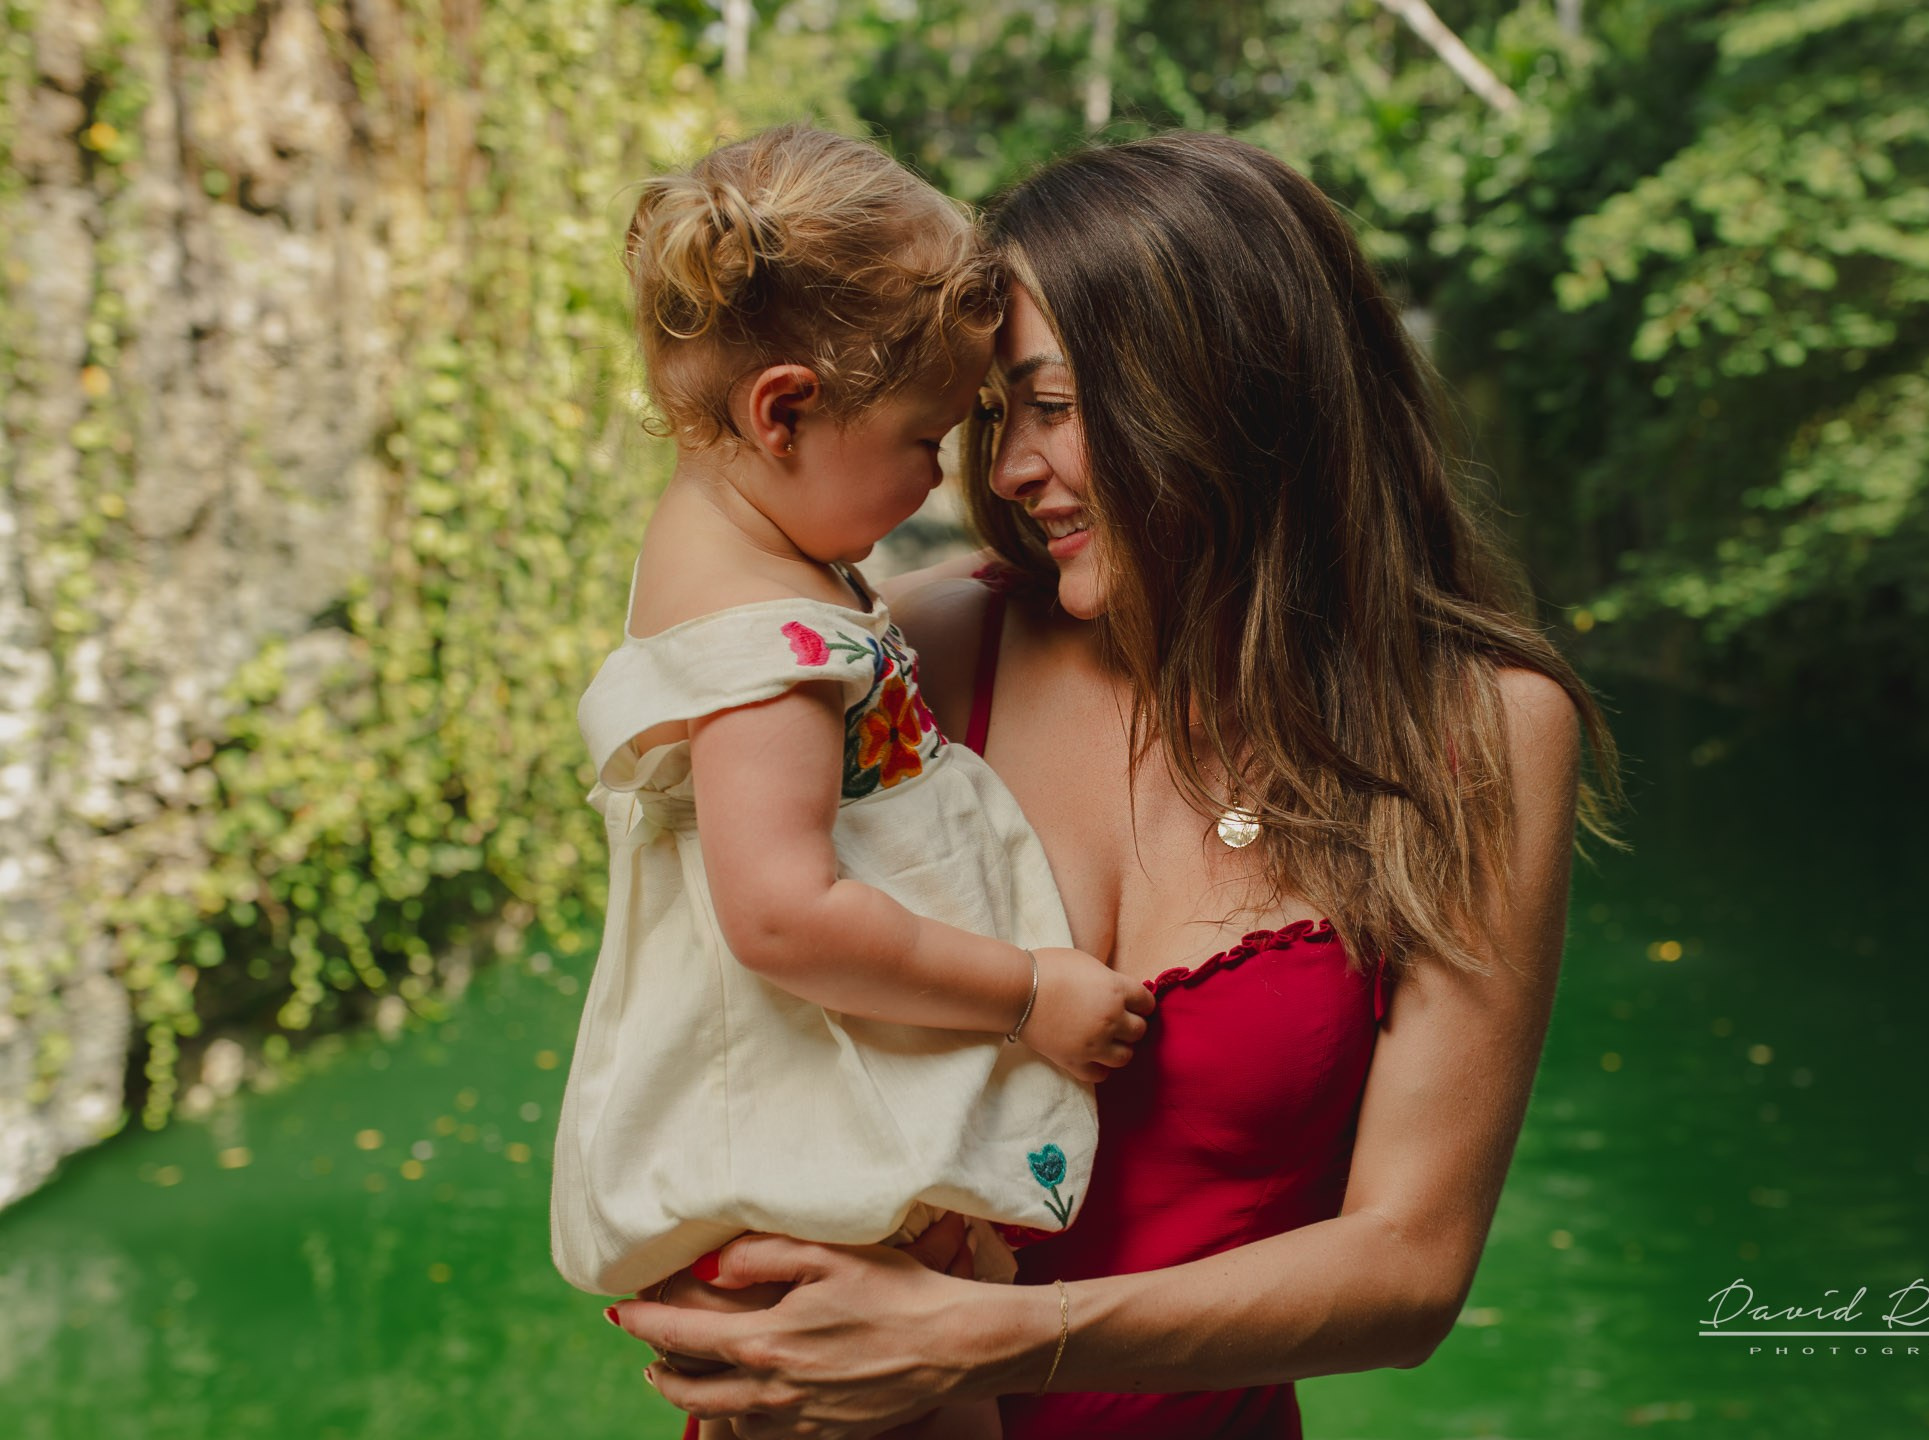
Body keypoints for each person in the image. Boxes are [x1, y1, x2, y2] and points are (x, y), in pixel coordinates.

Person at [609, 130, 1624, 1440]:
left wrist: (988, 1340)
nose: (1013, 472)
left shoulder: (1476, 730)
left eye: (1053, 406)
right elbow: (717, 1009)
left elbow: (1411, 1270)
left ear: (1226, 391)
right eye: (989, 420)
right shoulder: (914, 654)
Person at [556, 123, 1157, 1440]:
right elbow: (784, 915)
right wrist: (1029, 994)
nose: (949, 478)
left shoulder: (743, 550)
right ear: (783, 411)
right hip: (793, 1178)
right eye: (924, 439)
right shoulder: (767, 649)